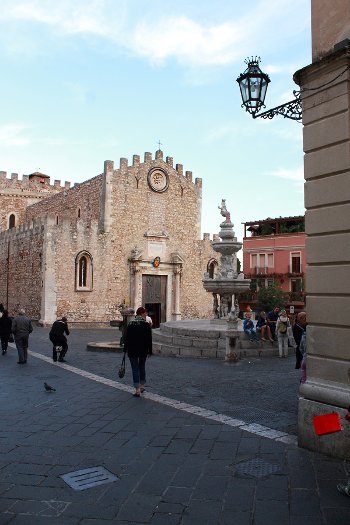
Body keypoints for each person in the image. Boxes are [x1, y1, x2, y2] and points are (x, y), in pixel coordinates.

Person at [124, 306, 152, 397]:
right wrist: (150, 351)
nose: (146, 315)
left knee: (135, 368)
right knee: (142, 367)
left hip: (132, 350)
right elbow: (149, 339)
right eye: (145, 313)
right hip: (143, 350)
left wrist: (125, 350)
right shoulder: (146, 325)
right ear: (142, 313)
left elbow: (127, 338)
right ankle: (142, 385)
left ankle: (137, 390)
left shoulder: (131, 324)